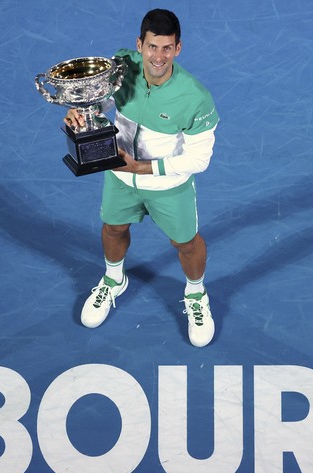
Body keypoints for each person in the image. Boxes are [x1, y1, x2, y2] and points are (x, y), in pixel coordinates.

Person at [64, 9, 219, 347]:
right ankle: (113, 278)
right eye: (151, 47)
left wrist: (144, 168)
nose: (158, 57)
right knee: (113, 228)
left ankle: (196, 295)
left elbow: (199, 159)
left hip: (168, 185)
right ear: (139, 44)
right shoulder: (122, 66)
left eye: (167, 48)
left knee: (185, 243)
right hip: (120, 177)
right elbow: (103, 101)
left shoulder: (195, 98)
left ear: (178, 49)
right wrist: (82, 110)